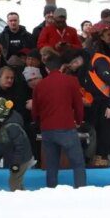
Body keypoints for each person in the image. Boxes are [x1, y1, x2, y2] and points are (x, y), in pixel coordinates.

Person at [31, 53, 86, 188]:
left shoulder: (39, 85)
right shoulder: (71, 81)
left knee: (51, 165)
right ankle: (81, 189)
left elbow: (35, 111)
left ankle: (51, 190)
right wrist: (79, 121)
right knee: (78, 163)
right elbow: (78, 106)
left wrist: (39, 123)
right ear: (62, 67)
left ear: (47, 69)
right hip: (66, 127)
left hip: (47, 129)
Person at [0, 97, 35, 191]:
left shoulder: (12, 127)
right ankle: (23, 196)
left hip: (21, 159)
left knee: (14, 182)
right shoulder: (4, 120)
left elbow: (20, 146)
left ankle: (18, 199)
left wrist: (16, 163)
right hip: (15, 157)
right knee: (17, 181)